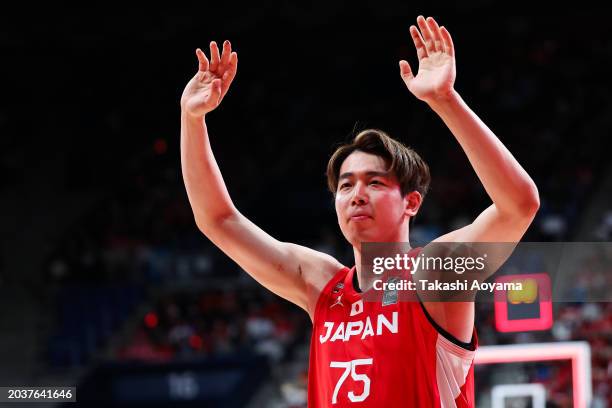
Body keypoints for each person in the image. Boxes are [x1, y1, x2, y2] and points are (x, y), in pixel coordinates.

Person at [179, 15, 539, 407]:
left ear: (411, 203)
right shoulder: (320, 283)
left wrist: (445, 100)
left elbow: (519, 204)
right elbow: (218, 219)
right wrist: (192, 119)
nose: (356, 193)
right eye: (346, 184)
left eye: (376, 182)